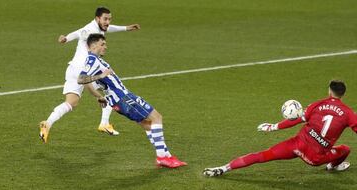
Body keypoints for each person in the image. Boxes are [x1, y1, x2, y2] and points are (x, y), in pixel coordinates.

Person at [75, 33, 187, 168]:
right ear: (93, 45)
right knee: (156, 117)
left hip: (119, 100)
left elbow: (91, 83)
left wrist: (100, 96)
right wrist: (101, 75)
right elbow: (81, 79)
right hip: (123, 98)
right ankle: (162, 157)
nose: (106, 47)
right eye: (102, 44)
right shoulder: (92, 60)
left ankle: (166, 155)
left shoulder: (95, 60)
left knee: (148, 124)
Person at [203, 80, 357, 177]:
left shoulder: (317, 104)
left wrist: (272, 127)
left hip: (296, 145)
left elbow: (296, 120)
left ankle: (223, 168)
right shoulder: (349, 113)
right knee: (345, 149)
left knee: (261, 155)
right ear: (343, 94)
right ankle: (333, 166)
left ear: (329, 90)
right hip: (315, 158)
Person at [39, 7, 140, 142]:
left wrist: (126, 28)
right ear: (97, 18)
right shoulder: (90, 29)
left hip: (72, 69)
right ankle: (104, 123)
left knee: (71, 103)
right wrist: (67, 38)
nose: (108, 22)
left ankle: (48, 123)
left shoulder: (99, 27)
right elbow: (80, 32)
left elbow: (108, 28)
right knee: (111, 89)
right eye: (105, 19)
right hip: (87, 69)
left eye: (109, 19)